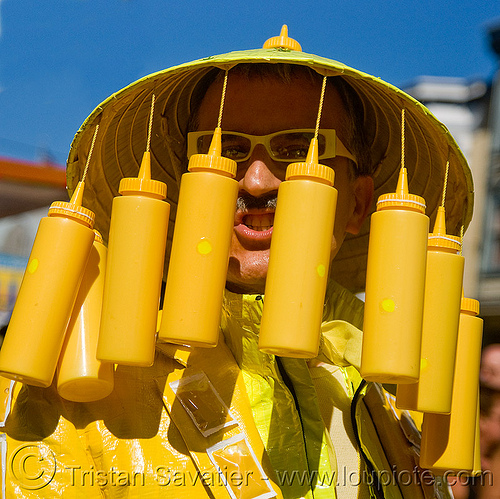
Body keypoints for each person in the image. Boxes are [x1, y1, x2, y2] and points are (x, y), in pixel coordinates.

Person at [0, 27, 473, 498]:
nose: (258, 180)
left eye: (298, 152)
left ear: (357, 204)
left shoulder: (399, 408)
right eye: (224, 151)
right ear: (185, 193)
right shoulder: (74, 392)